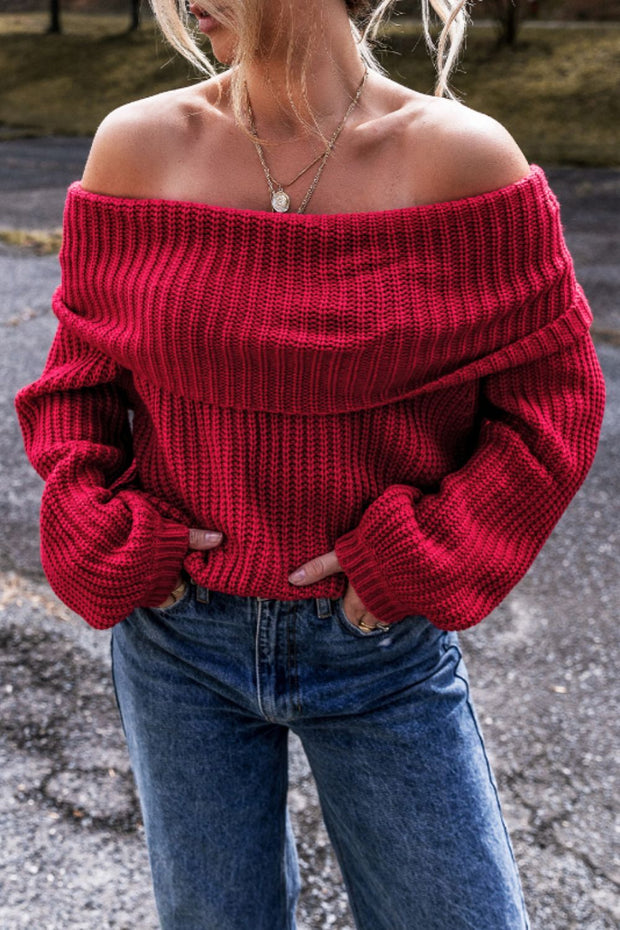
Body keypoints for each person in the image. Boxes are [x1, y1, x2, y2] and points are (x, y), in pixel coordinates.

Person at [15, 1, 605, 928]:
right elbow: (78, 387)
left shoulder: (463, 161)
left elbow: (552, 407)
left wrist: (422, 557)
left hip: (379, 650)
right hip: (178, 644)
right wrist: (105, 534)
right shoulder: (137, 149)